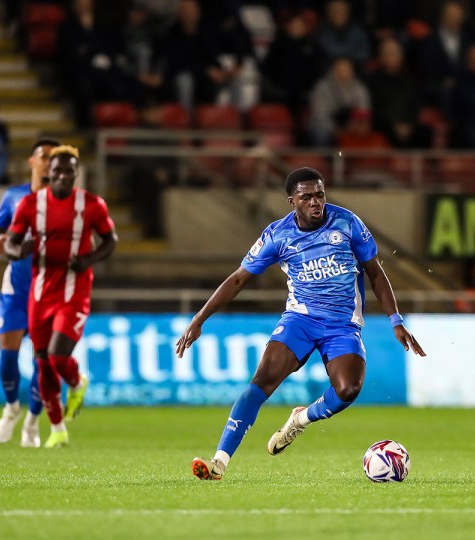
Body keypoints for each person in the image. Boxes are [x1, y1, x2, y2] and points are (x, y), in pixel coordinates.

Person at [179, 167, 425, 481]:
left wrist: (396, 320)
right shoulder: (277, 235)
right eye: (306, 196)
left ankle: (300, 419)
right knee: (262, 381)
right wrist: (199, 319)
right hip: (300, 320)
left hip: (342, 326)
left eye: (319, 194)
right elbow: (239, 279)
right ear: (291, 201)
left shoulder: (348, 224)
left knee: (348, 389)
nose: (315, 202)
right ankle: (219, 462)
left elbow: (375, 273)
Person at [5, 145, 118, 448]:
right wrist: (18, 250)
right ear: (49, 173)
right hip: (40, 293)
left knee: (57, 355)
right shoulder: (30, 205)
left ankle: (77, 381)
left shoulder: (92, 205)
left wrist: (88, 259)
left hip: (74, 290)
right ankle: (57, 428)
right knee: (42, 362)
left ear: (76, 173)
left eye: (69, 171)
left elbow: (110, 241)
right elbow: (10, 243)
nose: (63, 176)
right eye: (58, 171)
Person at [0, 138, 60, 447]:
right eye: (44, 157)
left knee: (44, 363)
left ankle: (32, 422)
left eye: (55, 159)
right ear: (32, 161)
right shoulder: (14, 197)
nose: (48, 163)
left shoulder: (64, 202)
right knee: (8, 357)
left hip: (50, 291)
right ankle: (12, 408)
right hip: (16, 289)